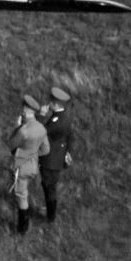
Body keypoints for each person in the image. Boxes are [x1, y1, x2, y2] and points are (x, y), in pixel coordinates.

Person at [7, 94, 51, 235]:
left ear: (26, 112)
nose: (22, 112)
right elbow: (46, 149)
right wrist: (33, 154)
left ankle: (22, 228)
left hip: (21, 166)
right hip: (33, 166)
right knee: (24, 191)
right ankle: (23, 224)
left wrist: (16, 127)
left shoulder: (24, 131)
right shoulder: (41, 128)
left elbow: (11, 144)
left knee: (21, 195)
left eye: (23, 110)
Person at [39, 87, 76, 224]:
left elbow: (40, 131)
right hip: (58, 158)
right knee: (50, 186)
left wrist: (41, 115)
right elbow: (71, 136)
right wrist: (69, 152)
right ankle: (50, 212)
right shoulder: (65, 117)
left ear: (55, 104)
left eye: (51, 101)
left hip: (49, 161)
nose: (49, 103)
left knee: (48, 186)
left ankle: (50, 215)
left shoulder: (56, 121)